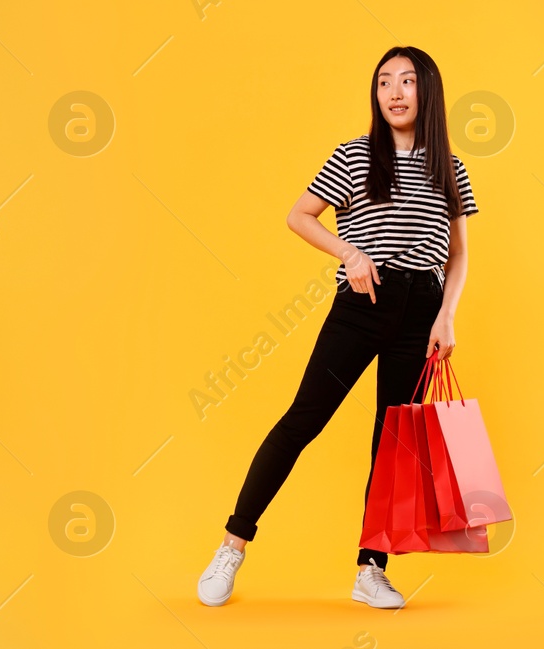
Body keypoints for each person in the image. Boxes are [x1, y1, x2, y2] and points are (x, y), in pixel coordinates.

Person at [197, 46, 479, 609]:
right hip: (362, 305)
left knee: (393, 445)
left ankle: (371, 569)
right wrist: (349, 252)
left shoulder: (449, 166)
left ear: (428, 91)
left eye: (406, 81)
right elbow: (298, 215)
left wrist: (446, 316)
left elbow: (459, 254)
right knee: (303, 419)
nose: (394, 93)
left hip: (420, 312)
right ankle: (232, 545)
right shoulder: (355, 155)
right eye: (383, 83)